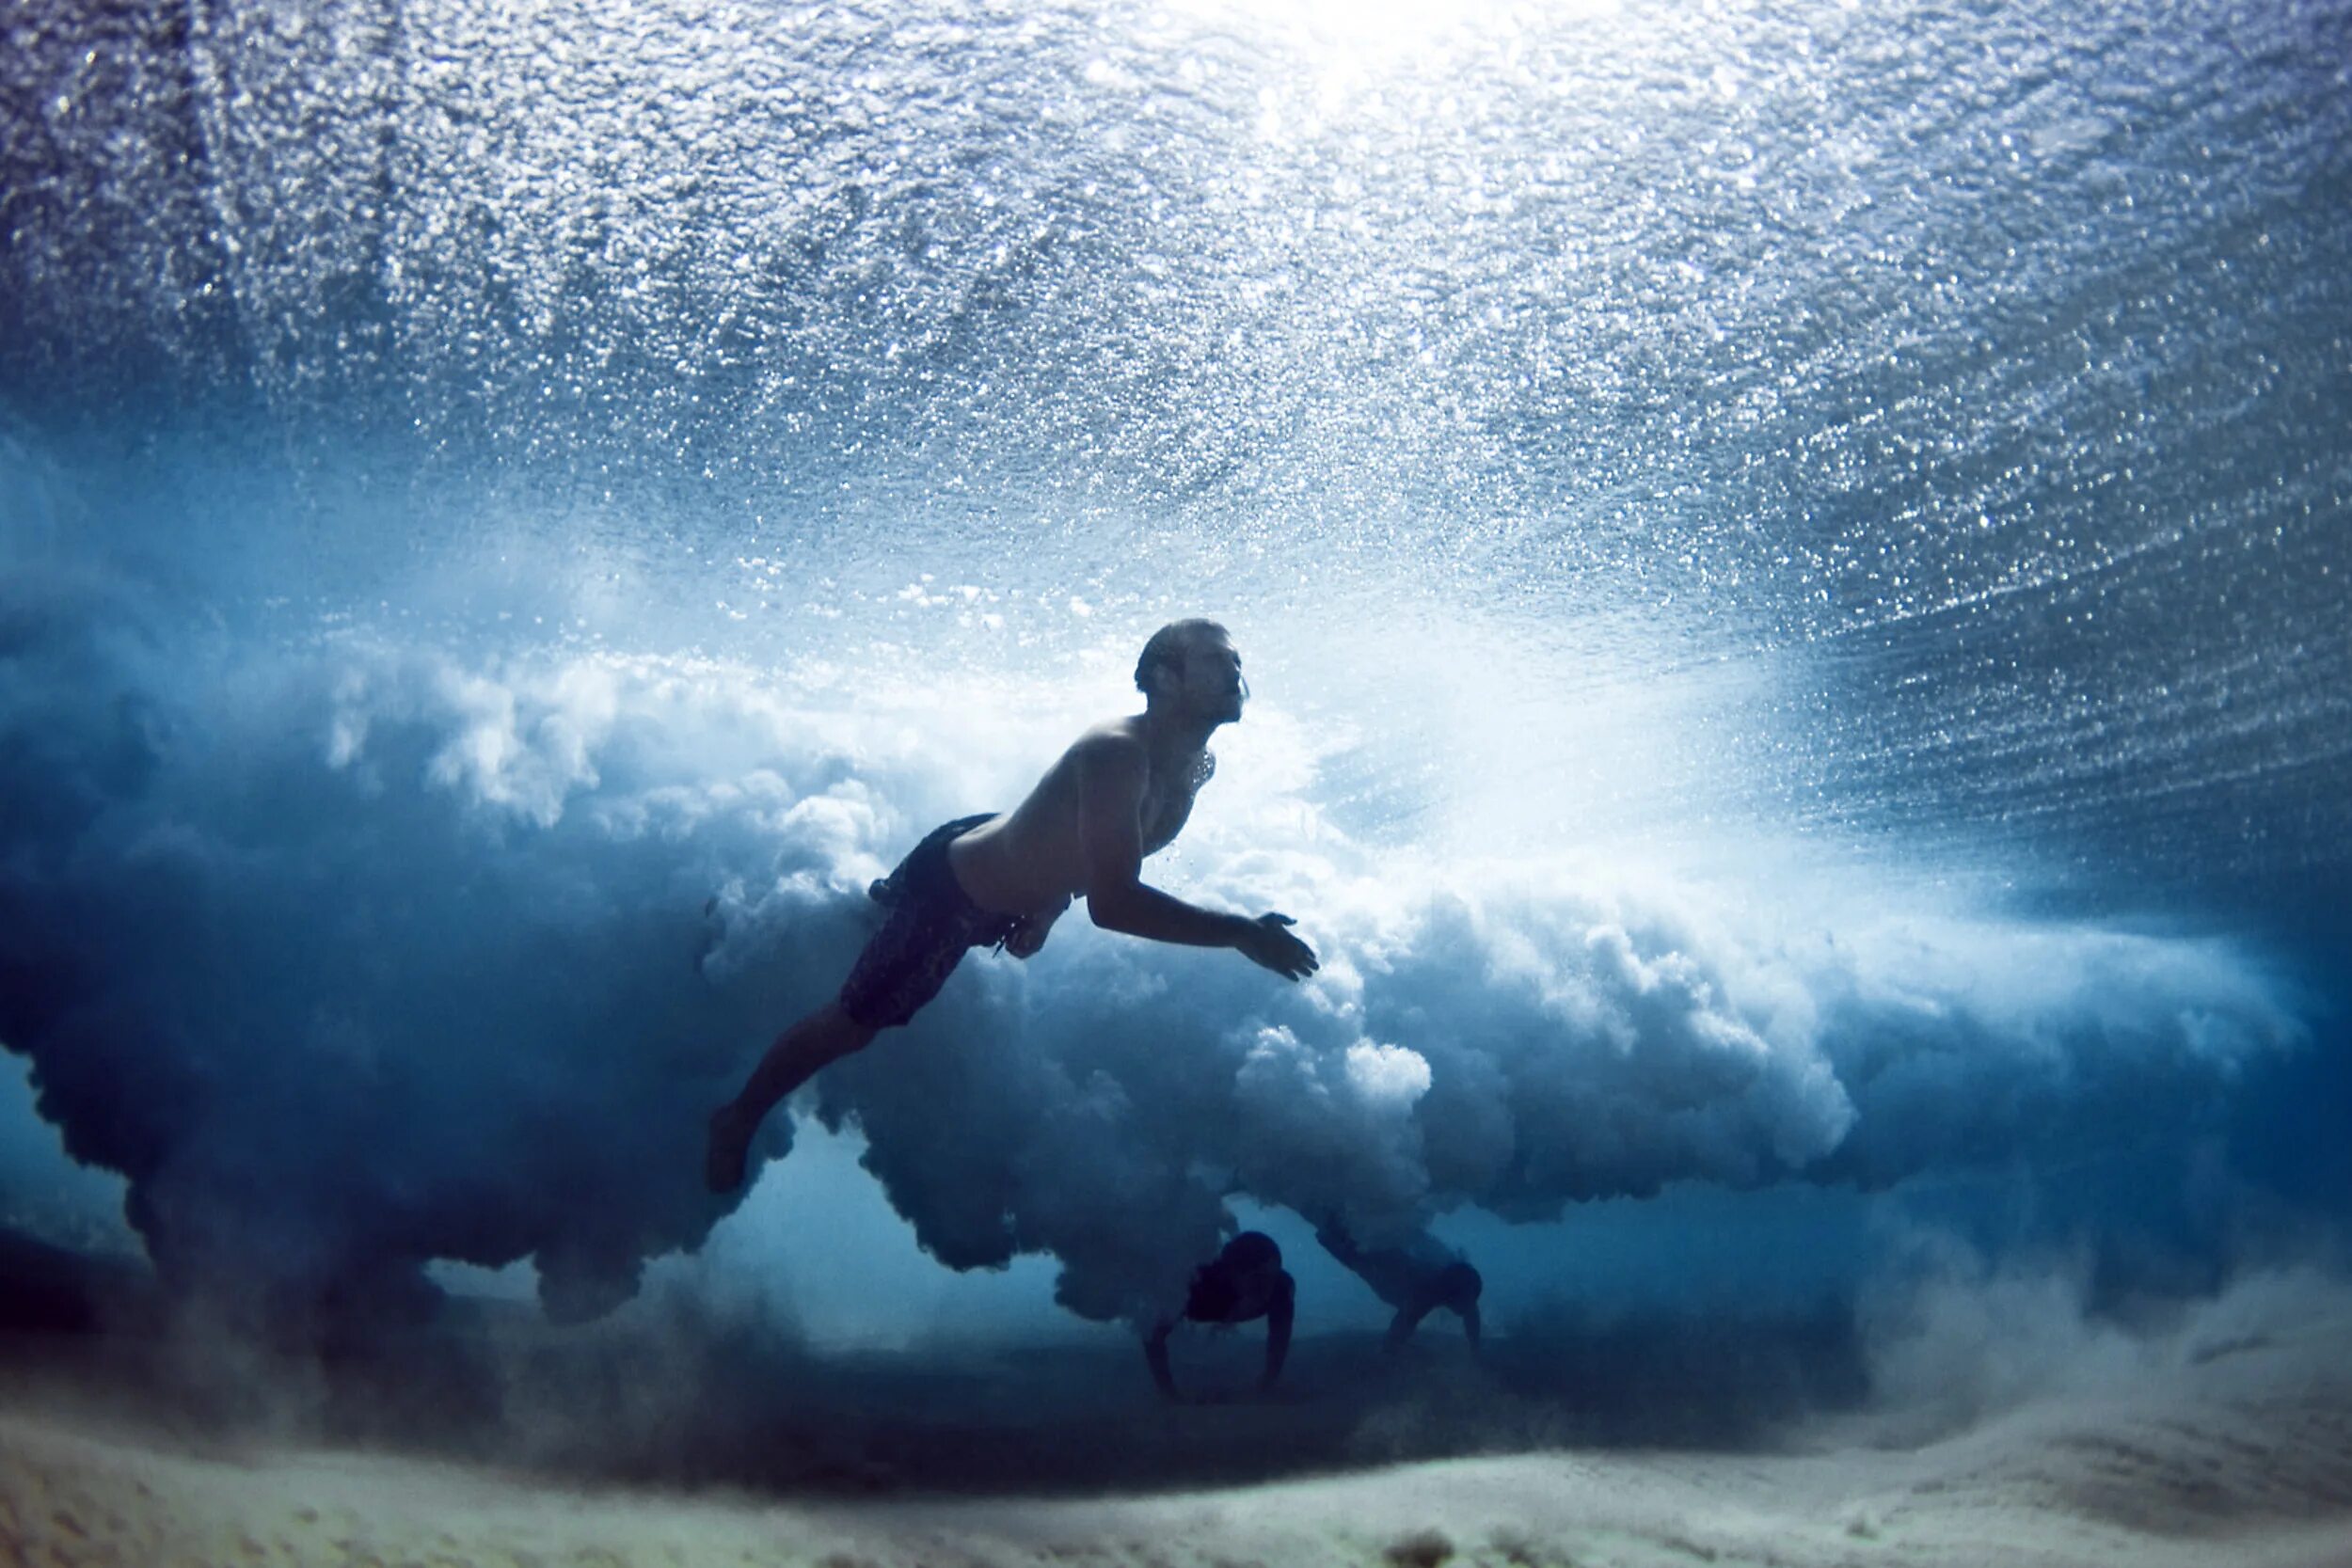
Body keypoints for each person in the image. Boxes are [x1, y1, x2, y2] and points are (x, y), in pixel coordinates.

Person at [706, 619, 1320, 1192]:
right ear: (1164, 676)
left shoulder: (1196, 766)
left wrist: (1051, 904)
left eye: (1238, 661)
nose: (1237, 673)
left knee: (861, 941)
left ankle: (797, 921)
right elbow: (1115, 902)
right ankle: (736, 1114)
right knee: (855, 1023)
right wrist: (1241, 931)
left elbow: (1098, 854)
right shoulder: (1117, 753)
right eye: (1217, 661)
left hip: (1004, 852)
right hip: (952, 891)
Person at [1144, 1231, 1295, 1402]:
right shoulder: (1196, 1288)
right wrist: (1166, 1388)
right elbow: (1153, 1335)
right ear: (1232, 1274)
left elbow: (1279, 1336)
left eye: (1272, 1277)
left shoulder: (1280, 1288)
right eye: (1257, 1279)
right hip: (1203, 1298)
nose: (1266, 1289)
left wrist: (1270, 1377)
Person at [1314, 1217, 1483, 1352]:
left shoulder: (1456, 1278)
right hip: (1374, 1256)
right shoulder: (1431, 1290)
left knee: (1342, 1238)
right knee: (1338, 1239)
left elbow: (1470, 1310)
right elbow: (1405, 1322)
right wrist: (1390, 1348)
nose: (1468, 1306)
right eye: (1466, 1300)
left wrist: (1475, 1346)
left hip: (1382, 1250)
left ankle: (1331, 1222)